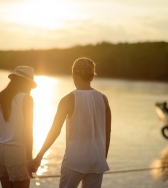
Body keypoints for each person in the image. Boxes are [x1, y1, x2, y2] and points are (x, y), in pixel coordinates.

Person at [31, 57, 111, 188]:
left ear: (74, 74)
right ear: (92, 76)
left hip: (75, 160)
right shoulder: (103, 99)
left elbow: (55, 131)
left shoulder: (68, 99)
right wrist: (102, 157)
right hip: (97, 160)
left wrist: (39, 157)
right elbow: (107, 131)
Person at [0, 66, 37, 188]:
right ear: (25, 82)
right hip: (17, 151)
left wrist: (2, 143)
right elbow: (28, 131)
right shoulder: (26, 99)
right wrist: (29, 158)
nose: (30, 89)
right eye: (30, 85)